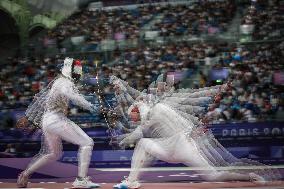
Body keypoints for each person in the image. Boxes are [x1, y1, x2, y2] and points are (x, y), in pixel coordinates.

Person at [109, 76, 280, 189]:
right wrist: (122, 140)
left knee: (213, 177)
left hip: (183, 146)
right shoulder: (148, 115)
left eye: (130, 114)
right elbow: (139, 129)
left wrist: (122, 89)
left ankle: (250, 176)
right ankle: (131, 181)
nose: (129, 118)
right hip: (168, 148)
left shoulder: (150, 109)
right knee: (143, 144)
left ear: (136, 109)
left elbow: (142, 114)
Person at [17, 58, 100, 188]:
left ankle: (25, 174)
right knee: (87, 142)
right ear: (70, 70)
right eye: (77, 71)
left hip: (48, 121)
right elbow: (72, 95)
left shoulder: (60, 82)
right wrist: (90, 105)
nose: (78, 73)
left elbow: (73, 95)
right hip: (56, 120)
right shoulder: (64, 82)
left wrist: (87, 100)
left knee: (53, 154)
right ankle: (81, 179)